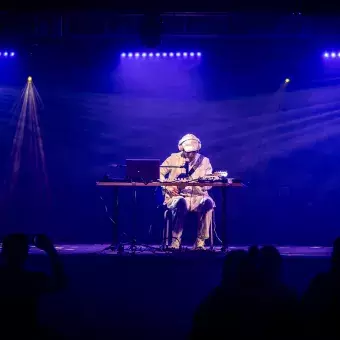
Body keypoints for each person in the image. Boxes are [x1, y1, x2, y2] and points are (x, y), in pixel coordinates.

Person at [0, 233, 65, 337]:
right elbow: (59, 283)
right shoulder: (31, 278)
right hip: (27, 332)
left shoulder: (31, 278)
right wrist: (50, 250)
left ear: (4, 251)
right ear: (25, 254)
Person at [160, 134, 215, 250]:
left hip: (197, 197)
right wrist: (167, 187)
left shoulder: (205, 161)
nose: (190, 155)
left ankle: (200, 242)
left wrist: (205, 185)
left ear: (198, 149)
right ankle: (175, 241)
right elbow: (158, 172)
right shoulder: (173, 158)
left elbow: (210, 183)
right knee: (181, 202)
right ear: (181, 148)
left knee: (208, 203)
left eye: (193, 152)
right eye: (187, 152)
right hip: (177, 196)